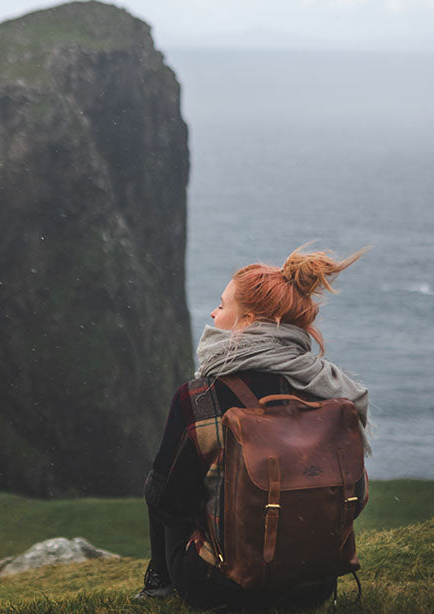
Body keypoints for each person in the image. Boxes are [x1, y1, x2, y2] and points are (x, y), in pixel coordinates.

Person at [135, 245, 370, 610]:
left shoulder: (199, 397)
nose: (213, 312)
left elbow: (170, 503)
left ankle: (160, 583)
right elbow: (354, 496)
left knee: (158, 483)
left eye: (223, 305)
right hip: (314, 582)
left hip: (219, 586)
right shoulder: (329, 391)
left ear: (247, 321)